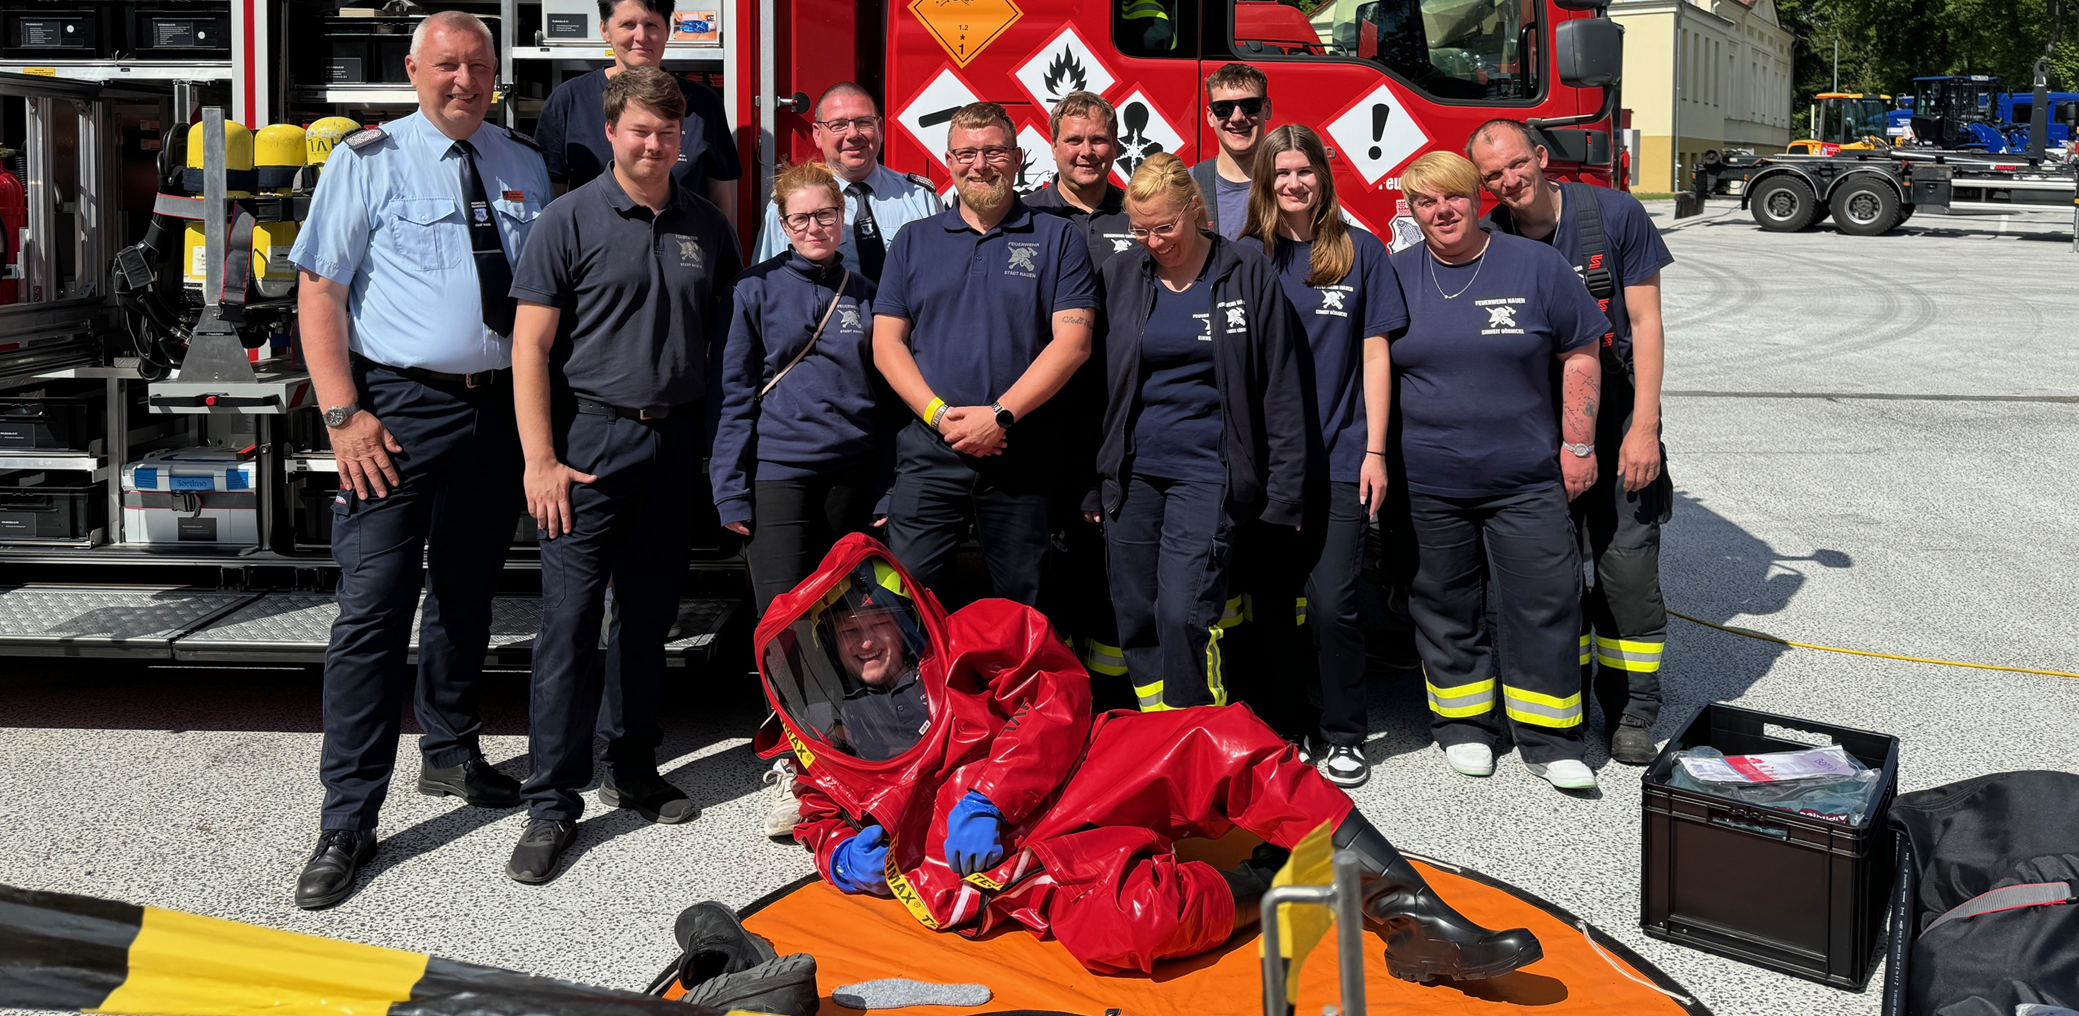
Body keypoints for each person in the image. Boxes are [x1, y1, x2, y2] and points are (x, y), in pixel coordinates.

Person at [758, 534, 1544, 981]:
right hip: (1031, 861)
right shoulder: (833, 745)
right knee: (1131, 927)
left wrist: (989, 792)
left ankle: (1414, 916)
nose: (865, 638)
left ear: (898, 620)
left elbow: (1058, 698)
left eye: (874, 621)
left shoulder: (972, 640)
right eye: (848, 633)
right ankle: (1272, 881)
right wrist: (839, 857)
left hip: (1080, 769)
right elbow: (823, 817)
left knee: (1225, 738)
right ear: (833, 649)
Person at [288, 10, 549, 909]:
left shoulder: (522, 165)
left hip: (495, 414)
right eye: (447, 66)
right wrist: (342, 414)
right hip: (395, 413)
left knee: (469, 594)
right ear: (412, 69)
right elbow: (319, 289)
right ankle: (347, 820)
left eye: (479, 66)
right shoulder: (365, 161)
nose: (464, 81)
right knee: (371, 613)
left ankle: (449, 752)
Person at [506, 66, 741, 882]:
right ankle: (551, 802)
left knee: (647, 623)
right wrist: (540, 460)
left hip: (672, 450)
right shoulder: (564, 223)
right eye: (641, 130)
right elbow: (528, 349)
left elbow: (723, 349)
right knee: (568, 628)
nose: (654, 145)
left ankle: (632, 769)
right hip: (587, 452)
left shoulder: (706, 227)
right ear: (610, 131)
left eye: (669, 134)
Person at [1387, 152, 1606, 792]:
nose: (1442, 211)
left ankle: (1551, 737)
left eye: (1453, 197)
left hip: (1526, 476)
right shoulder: (1395, 274)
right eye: (1426, 202)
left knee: (1545, 600)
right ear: (1412, 209)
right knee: (1443, 602)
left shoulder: (1536, 267)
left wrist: (1579, 445)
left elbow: (1581, 354)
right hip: (1427, 479)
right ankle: (1464, 727)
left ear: (1477, 198)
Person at [1467, 119, 1675, 767]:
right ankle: (1567, 701)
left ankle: (1633, 707)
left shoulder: (1612, 216)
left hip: (1615, 424)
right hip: (1534, 432)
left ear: (1539, 156)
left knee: (1626, 573)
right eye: (1491, 176)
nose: (1507, 182)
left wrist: (1643, 428)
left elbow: (1644, 324)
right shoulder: (1488, 237)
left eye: (1513, 165)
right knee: (1550, 582)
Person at [1091, 152, 1308, 712]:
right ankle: (1157, 727)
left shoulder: (1244, 270)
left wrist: (1285, 489)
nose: (1153, 241)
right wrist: (1093, 480)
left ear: (1196, 210)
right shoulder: (1122, 274)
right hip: (1133, 473)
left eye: (1165, 226)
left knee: (1184, 612)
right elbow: (1098, 388)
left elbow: (1280, 384)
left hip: (1208, 471)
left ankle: (1200, 737)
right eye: (1139, 229)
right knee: (1135, 610)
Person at [870, 102, 1096, 607]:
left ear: (1017, 158)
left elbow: (1073, 343)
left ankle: (1014, 690)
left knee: (1024, 605)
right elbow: (887, 345)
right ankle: (931, 691)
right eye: (967, 153)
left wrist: (1000, 416)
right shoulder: (912, 241)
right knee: (908, 598)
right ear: (948, 160)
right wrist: (940, 415)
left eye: (994, 152)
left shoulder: (1059, 238)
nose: (980, 164)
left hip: (1022, 451)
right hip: (931, 449)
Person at [1243, 125, 1402, 787]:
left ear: (1321, 177)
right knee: (1272, 602)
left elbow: (1374, 355)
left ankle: (1344, 732)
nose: (1292, 183)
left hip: (1340, 456)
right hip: (1268, 467)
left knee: (1335, 601)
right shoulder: (1245, 256)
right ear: (1265, 181)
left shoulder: (1359, 252)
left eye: (1303, 171)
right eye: (1280, 173)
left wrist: (1374, 450)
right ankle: (1283, 725)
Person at [712, 160, 882, 615]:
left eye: (825, 215)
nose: (815, 228)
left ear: (841, 216)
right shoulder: (751, 290)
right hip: (778, 475)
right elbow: (732, 395)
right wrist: (728, 488)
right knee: (784, 622)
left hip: (852, 475)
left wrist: (886, 486)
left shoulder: (867, 293)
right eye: (800, 218)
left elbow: (885, 397)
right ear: (783, 224)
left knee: (849, 619)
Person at [1024, 91, 1135, 697]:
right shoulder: (1028, 217)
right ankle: (1051, 694)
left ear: (1116, 144)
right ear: (1053, 145)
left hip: (1118, 413)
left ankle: (1109, 698)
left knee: (1105, 563)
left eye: (1098, 139)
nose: (1087, 151)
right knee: (1043, 559)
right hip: (1043, 416)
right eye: (1075, 140)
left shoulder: (1137, 213)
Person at [534, 0, 740, 228]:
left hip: (685, 254)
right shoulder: (569, 99)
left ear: (668, 31)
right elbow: (549, 198)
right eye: (628, 25)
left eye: (651, 25)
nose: (641, 36)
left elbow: (722, 200)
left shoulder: (703, 103)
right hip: (593, 256)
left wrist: (724, 259)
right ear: (605, 30)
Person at [751, 82, 942, 283]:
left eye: (863, 122)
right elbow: (767, 285)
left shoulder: (920, 198)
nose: (852, 134)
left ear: (880, 129)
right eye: (838, 125)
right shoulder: (789, 204)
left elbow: (943, 276)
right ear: (817, 134)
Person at [1191, 63, 1274, 240]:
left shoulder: (1294, 185)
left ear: (1267, 108)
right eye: (1224, 109)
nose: (1237, 118)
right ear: (1210, 116)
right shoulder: (1186, 186)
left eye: (1250, 105)